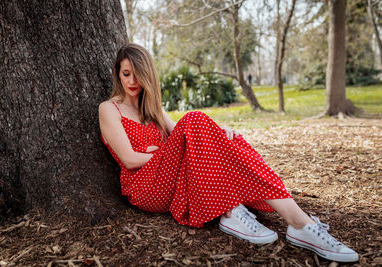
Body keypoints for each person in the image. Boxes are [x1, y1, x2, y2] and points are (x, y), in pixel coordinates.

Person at [98, 44, 358, 263]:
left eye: (137, 74)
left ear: (148, 75)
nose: (132, 81)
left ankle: (299, 222)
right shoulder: (109, 109)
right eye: (126, 74)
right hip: (145, 187)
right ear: (117, 75)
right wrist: (164, 154)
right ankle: (232, 212)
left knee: (227, 138)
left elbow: (189, 139)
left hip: (168, 177)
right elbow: (130, 159)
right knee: (195, 120)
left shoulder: (153, 108)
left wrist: (218, 133)